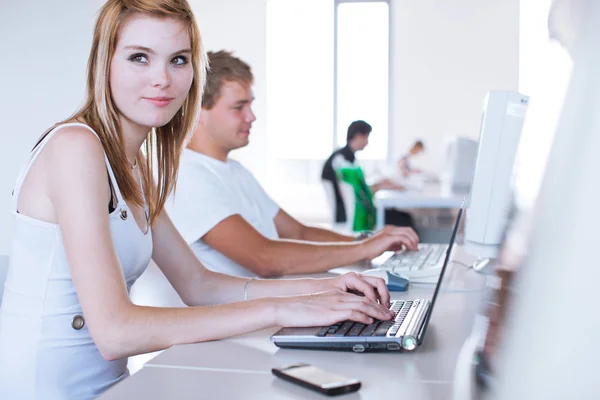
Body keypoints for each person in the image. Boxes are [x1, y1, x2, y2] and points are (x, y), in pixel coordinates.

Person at [0, 2, 397, 398]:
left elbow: (199, 284)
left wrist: (324, 292)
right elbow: (115, 331)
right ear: (103, 63)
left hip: (114, 388)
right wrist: (279, 309)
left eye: (178, 60)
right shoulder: (76, 147)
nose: (162, 79)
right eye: (140, 57)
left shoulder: (132, 165)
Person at [165, 51, 419, 279]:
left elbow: (297, 232)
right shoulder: (187, 176)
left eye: (251, 105)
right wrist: (363, 249)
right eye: (239, 107)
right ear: (197, 112)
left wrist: (367, 241)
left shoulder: (235, 171)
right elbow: (264, 258)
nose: (251, 116)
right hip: (242, 326)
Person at [321, 121, 415, 231]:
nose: (367, 143)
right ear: (358, 136)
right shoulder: (341, 161)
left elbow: (360, 188)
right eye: (366, 138)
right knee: (403, 219)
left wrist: (381, 185)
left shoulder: (347, 159)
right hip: (350, 220)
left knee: (402, 217)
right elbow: (359, 193)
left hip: (353, 216)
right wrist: (382, 186)